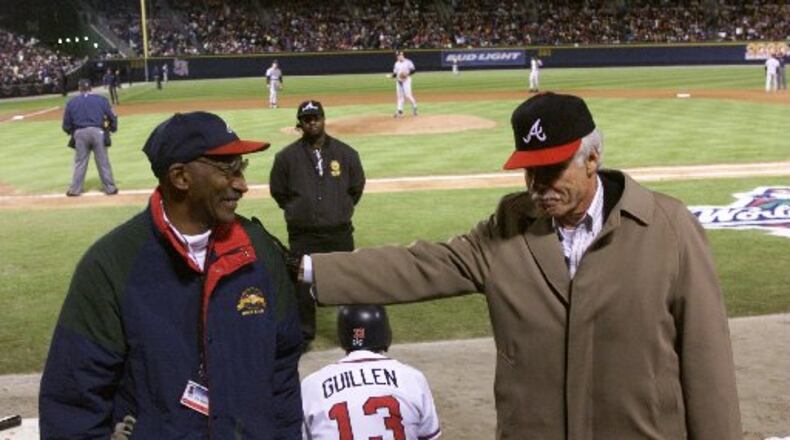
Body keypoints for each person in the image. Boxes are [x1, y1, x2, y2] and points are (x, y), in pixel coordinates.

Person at [302, 92, 742, 439]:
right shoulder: (508, 229)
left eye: (552, 168)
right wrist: (304, 270)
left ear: (593, 159)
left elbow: (709, 364)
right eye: (530, 170)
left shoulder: (668, 228)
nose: (539, 185)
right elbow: (420, 265)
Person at [39, 111, 304, 438]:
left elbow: (283, 374)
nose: (242, 184)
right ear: (181, 177)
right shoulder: (111, 265)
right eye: (228, 169)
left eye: (242, 168)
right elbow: (73, 404)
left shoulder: (259, 251)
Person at [270, 100, 365, 351]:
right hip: (304, 234)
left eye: (316, 117)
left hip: (339, 232)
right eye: (307, 119)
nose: (312, 122)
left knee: (346, 282)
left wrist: (339, 209)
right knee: (302, 285)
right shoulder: (286, 157)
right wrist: (298, 211)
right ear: (299, 124)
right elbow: (278, 192)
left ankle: (353, 334)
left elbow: (356, 188)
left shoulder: (346, 154)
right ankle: (304, 336)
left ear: (324, 119)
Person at [301, 305, 442, 440]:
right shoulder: (413, 378)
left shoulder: (311, 385)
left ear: (343, 334)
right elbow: (428, 436)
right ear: (384, 333)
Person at [62, 78, 118, 196]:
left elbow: (66, 125)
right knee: (103, 162)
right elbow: (112, 116)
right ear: (91, 88)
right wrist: (112, 129)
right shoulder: (101, 100)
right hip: (98, 132)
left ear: (79, 88)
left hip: (80, 133)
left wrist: (73, 133)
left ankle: (75, 190)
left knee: (80, 162)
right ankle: (110, 188)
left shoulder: (72, 102)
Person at [392, 51, 418, 117]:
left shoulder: (408, 62)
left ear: (403, 55)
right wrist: (392, 76)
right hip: (399, 81)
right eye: (397, 56)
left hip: (406, 81)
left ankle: (415, 108)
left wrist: (407, 74)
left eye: (400, 55)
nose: (399, 56)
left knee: (408, 95)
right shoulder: (396, 64)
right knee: (400, 97)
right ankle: (400, 111)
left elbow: (413, 70)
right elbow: (395, 74)